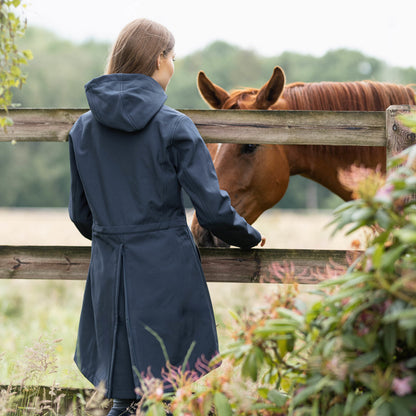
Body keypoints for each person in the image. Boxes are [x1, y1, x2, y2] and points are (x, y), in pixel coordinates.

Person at [68, 18, 265, 416]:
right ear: (159, 59)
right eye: (172, 57)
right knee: (166, 394)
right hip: (166, 270)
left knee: (125, 396)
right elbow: (211, 209)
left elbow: (80, 214)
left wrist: (114, 238)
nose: (173, 66)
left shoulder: (82, 130)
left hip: (110, 273)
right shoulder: (175, 126)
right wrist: (249, 236)